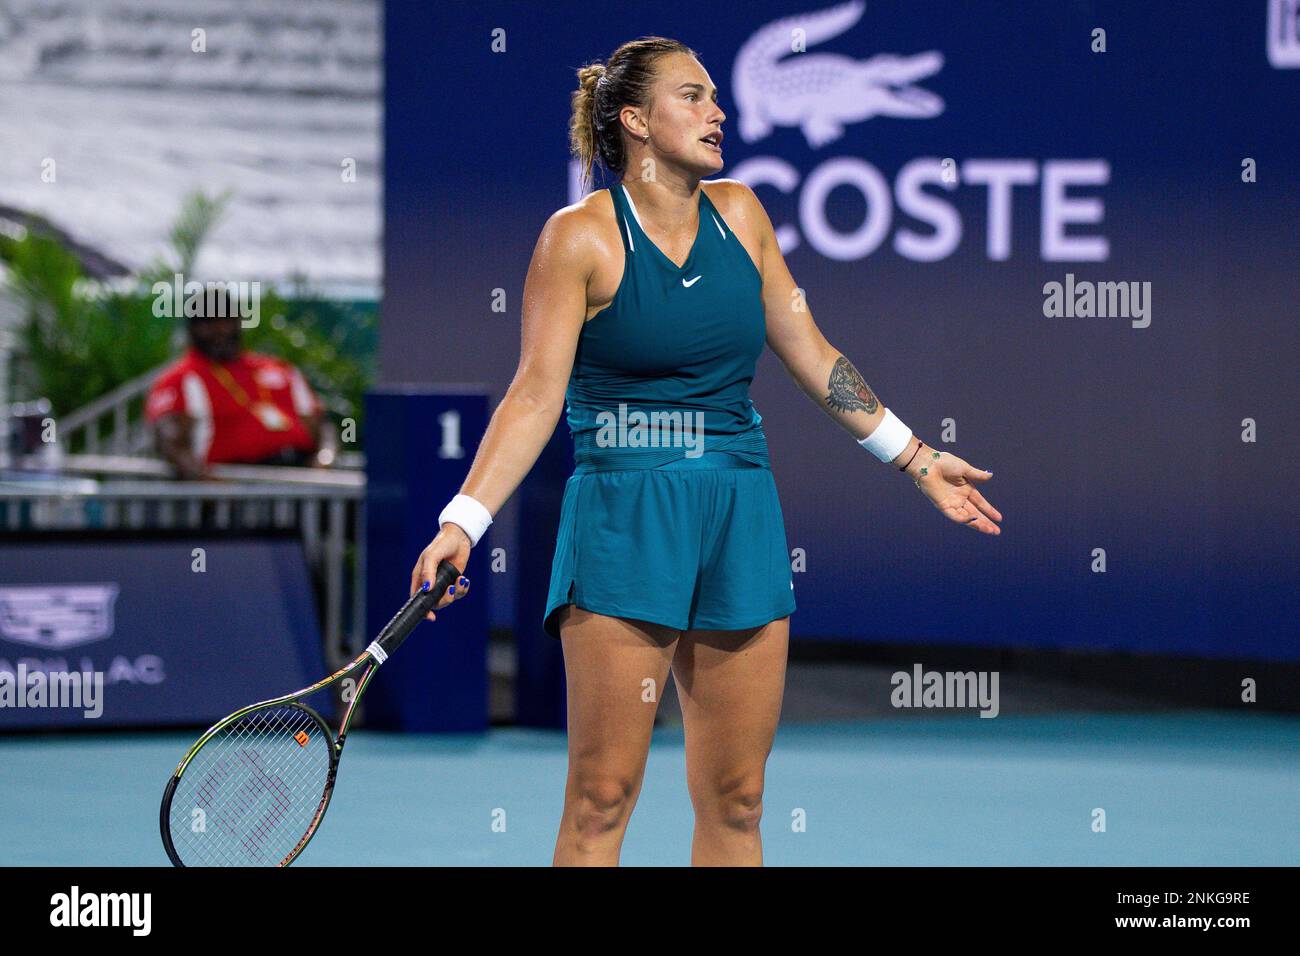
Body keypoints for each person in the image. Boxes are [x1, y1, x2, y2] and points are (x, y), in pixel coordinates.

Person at [411, 37, 1001, 866]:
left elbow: (813, 352)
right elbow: (536, 395)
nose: (718, 112)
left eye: (716, 97)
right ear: (635, 121)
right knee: (601, 797)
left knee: (740, 799)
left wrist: (914, 457)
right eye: (693, 96)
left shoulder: (744, 214)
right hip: (625, 515)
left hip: (739, 509)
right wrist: (462, 522)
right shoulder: (576, 238)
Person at [145, 291, 337, 479]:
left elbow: (323, 428)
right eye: (208, 322)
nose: (219, 329)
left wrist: (325, 461)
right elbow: (169, 441)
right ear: (192, 328)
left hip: (297, 481)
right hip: (233, 492)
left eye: (225, 320)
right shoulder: (179, 378)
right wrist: (203, 481)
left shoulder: (280, 369)